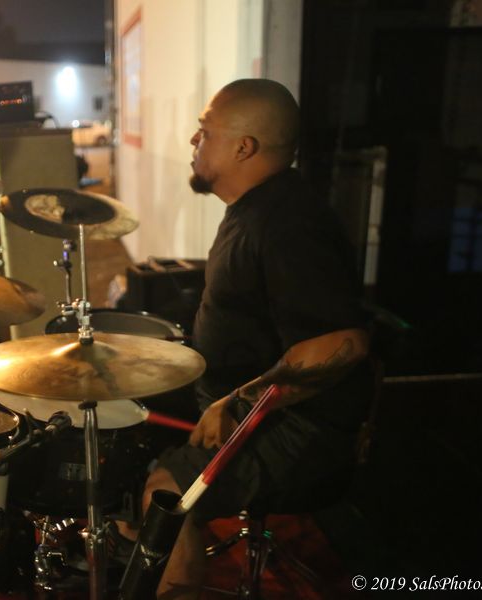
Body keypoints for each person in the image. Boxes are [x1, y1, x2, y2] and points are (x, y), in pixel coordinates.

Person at [138, 79, 373, 599]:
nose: (193, 141)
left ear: (243, 147)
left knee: (166, 494)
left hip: (299, 427)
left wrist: (238, 401)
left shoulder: (289, 225)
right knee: (121, 420)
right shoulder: (258, 208)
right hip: (237, 398)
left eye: (205, 131)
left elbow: (344, 343)